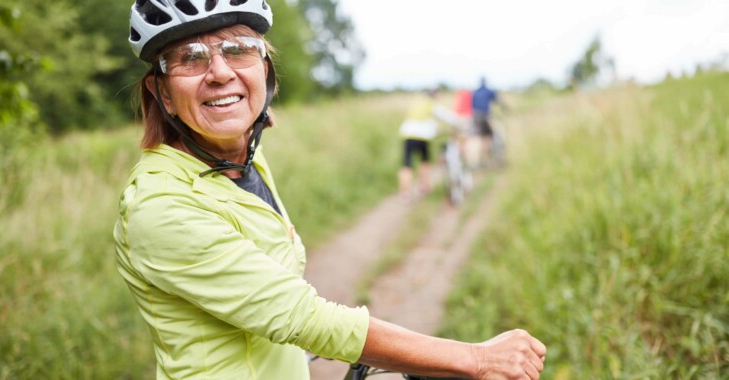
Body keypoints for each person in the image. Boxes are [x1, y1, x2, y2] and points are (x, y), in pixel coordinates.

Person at [114, 1, 546, 379]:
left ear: (263, 68)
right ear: (163, 93)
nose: (221, 72)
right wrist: (476, 358)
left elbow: (262, 297)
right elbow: (301, 316)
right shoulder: (160, 205)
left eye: (238, 48)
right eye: (190, 57)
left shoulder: (244, 158)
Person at [397, 88, 454, 198]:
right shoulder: (432, 104)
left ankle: (404, 192)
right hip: (422, 138)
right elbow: (448, 117)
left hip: (407, 136)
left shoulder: (416, 103)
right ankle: (423, 187)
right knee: (425, 162)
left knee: (406, 164)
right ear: (434, 96)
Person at [471, 77, 504, 167]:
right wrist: (505, 107)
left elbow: (471, 105)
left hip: (475, 117)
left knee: (481, 138)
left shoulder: (475, 92)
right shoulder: (489, 91)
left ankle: (484, 160)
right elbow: (498, 100)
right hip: (485, 117)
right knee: (493, 135)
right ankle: (496, 157)